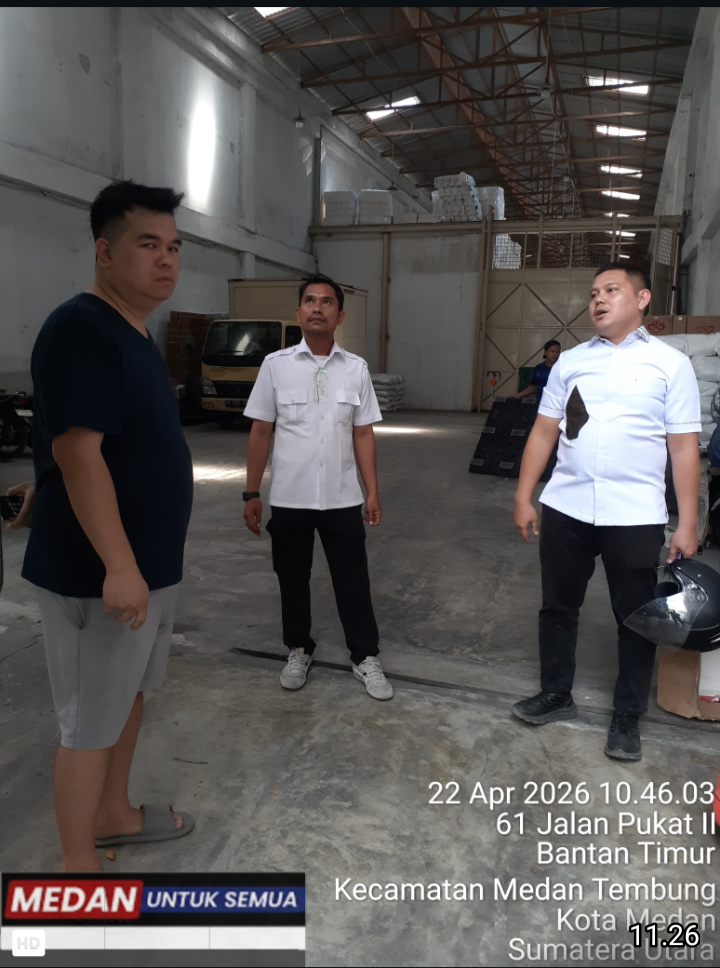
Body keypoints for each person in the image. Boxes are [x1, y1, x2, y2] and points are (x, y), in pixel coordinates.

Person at [20, 180, 195, 871]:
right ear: (104, 252)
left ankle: (114, 813)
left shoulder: (133, 332)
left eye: (173, 247)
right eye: (148, 245)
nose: (166, 259)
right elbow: (78, 452)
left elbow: (86, 442)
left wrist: (40, 486)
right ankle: (78, 868)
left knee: (125, 701)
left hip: (145, 569)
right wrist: (120, 565)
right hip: (99, 575)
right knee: (89, 723)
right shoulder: (82, 328)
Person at [512, 262, 701, 761]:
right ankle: (556, 693)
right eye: (594, 292)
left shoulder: (670, 364)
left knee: (637, 617)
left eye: (611, 290)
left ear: (642, 299)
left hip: (634, 514)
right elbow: (544, 432)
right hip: (567, 506)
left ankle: (627, 714)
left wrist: (687, 522)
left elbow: (684, 447)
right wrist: (523, 496)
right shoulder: (571, 362)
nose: (597, 299)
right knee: (558, 607)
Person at [243, 273, 393, 701]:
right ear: (298, 312)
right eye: (310, 300)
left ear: (339, 316)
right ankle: (298, 648)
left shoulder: (356, 369)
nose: (317, 308)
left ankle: (364, 656)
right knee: (292, 578)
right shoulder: (276, 366)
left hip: (342, 498)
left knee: (353, 579)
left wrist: (372, 490)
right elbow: (260, 430)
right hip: (289, 498)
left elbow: (362, 433)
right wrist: (251, 492)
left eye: (327, 302)